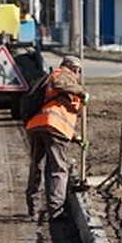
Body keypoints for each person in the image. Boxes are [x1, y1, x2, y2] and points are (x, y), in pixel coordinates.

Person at [25, 56, 87, 222]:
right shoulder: (63, 75)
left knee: (37, 166)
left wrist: (77, 138)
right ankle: (56, 210)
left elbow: (58, 111)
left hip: (37, 126)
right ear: (76, 69)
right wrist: (81, 91)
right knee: (58, 169)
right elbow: (59, 84)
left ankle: (34, 207)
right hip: (53, 128)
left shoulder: (50, 80)